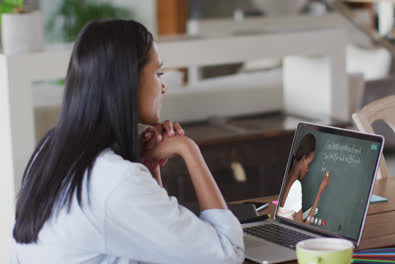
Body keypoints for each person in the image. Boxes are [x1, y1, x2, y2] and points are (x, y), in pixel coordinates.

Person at [12, 19, 244, 264]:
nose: (163, 85)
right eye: (158, 73)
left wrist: (150, 169)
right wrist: (189, 150)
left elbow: (157, 245)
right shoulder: (116, 180)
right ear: (127, 81)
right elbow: (227, 253)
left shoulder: (50, 150)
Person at [278, 134, 331, 224]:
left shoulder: (287, 176)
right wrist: (320, 192)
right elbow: (302, 228)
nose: (307, 170)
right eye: (308, 164)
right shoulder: (296, 186)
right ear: (303, 160)